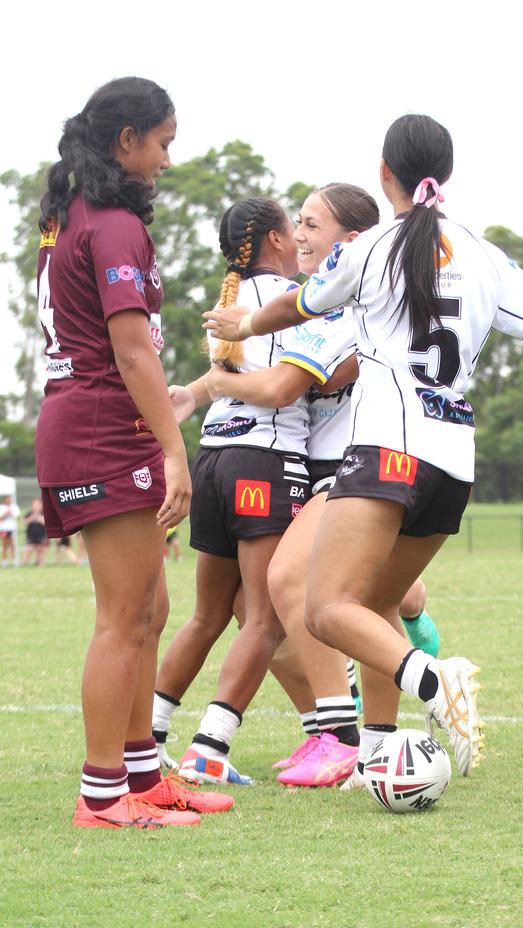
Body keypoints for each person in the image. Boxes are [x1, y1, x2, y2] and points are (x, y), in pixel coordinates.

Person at [205, 113, 523, 779]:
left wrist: (246, 320)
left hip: (388, 452)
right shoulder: (486, 255)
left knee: (326, 608)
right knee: (373, 610)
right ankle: (377, 753)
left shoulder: (369, 248)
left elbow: (299, 306)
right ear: (444, 174)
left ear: (384, 172)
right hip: (454, 465)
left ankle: (435, 682)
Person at [36, 76, 232, 828]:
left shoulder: (75, 215)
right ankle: (103, 796)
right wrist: (175, 451)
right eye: (163, 142)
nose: (167, 159)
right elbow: (131, 352)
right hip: (100, 430)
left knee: (152, 604)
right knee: (124, 615)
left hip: (97, 425)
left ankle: (144, 780)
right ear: (128, 141)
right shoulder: (111, 222)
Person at [152, 196, 338, 786]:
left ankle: (148, 739)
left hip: (213, 458)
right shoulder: (284, 304)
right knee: (266, 620)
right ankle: (209, 749)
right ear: (277, 241)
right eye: (296, 226)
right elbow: (283, 388)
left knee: (209, 614)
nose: (302, 238)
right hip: (264, 460)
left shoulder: (230, 300)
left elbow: (230, 381)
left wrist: (202, 390)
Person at [22, 499, 49, 566]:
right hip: (31, 535)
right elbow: (24, 522)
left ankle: (40, 564)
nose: (36, 506)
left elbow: (47, 523)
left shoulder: (43, 514)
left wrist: (40, 518)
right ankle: (23, 564)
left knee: (40, 550)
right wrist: (32, 518)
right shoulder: (29, 513)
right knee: (28, 549)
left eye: (37, 505)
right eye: (34, 504)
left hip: (41, 535)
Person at [0, 495, 20, 565]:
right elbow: (0, 519)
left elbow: (17, 517)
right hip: (4, 529)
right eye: (7, 499)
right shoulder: (1, 507)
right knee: (5, 545)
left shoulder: (14, 507)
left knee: (13, 545)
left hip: (12, 528)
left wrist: (11, 513)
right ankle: (4, 561)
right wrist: (5, 514)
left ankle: (13, 560)